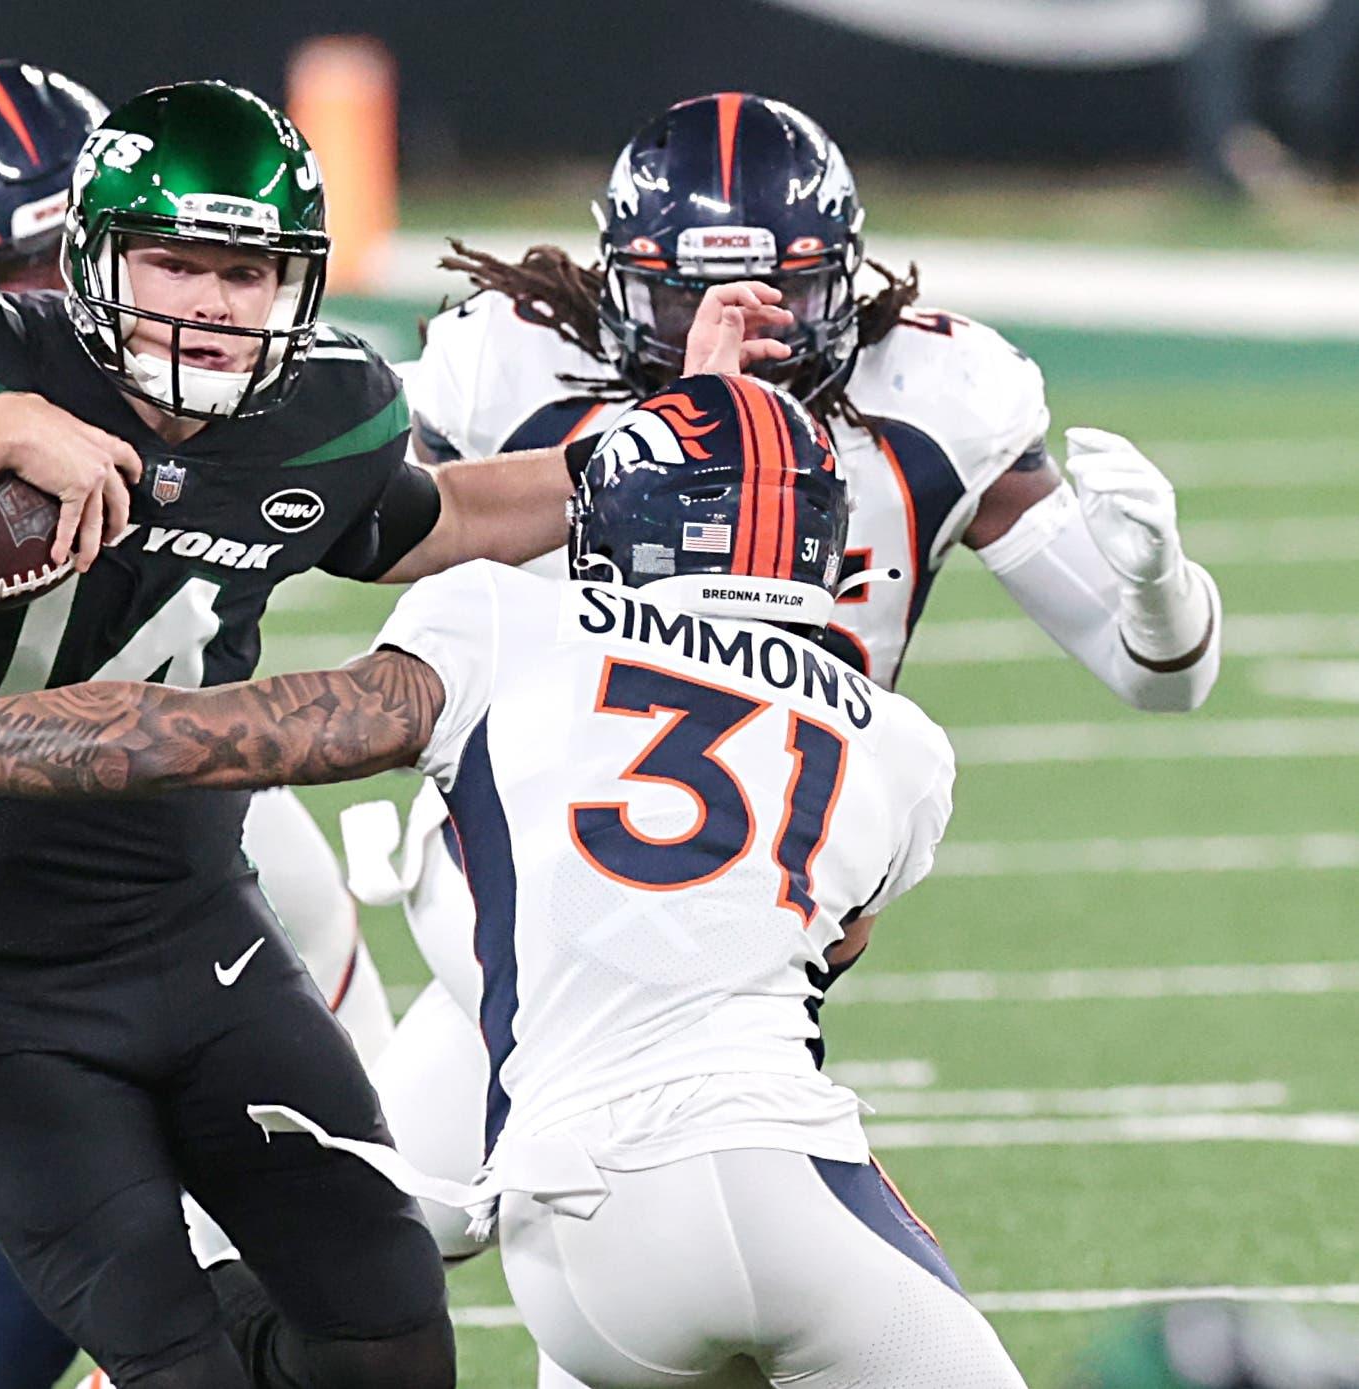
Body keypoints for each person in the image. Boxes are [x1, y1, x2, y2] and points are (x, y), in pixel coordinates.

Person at [0, 371, 1029, 1387]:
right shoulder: (900, 744)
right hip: (782, 1182)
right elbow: (813, 949)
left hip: (568, 1227)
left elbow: (165, 734)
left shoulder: (506, 617)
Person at [0, 80, 582, 1389]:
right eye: (179, 265)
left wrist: (650, 457)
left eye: (247, 271)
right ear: (97, 257)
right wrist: (3, 431)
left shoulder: (322, 408)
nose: (214, 304)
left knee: (391, 1352)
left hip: (198, 934)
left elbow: (426, 524)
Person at [344, 97, 1223, 1385]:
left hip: (762, 898)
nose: (753, 322)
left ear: (846, 284)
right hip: (531, 879)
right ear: (618, 285)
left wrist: (1154, 586)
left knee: (485, 1244)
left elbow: (1158, 677)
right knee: (385, 1237)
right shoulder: (515, 368)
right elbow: (397, 553)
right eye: (698, 295)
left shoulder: (939, 394)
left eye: (788, 293)